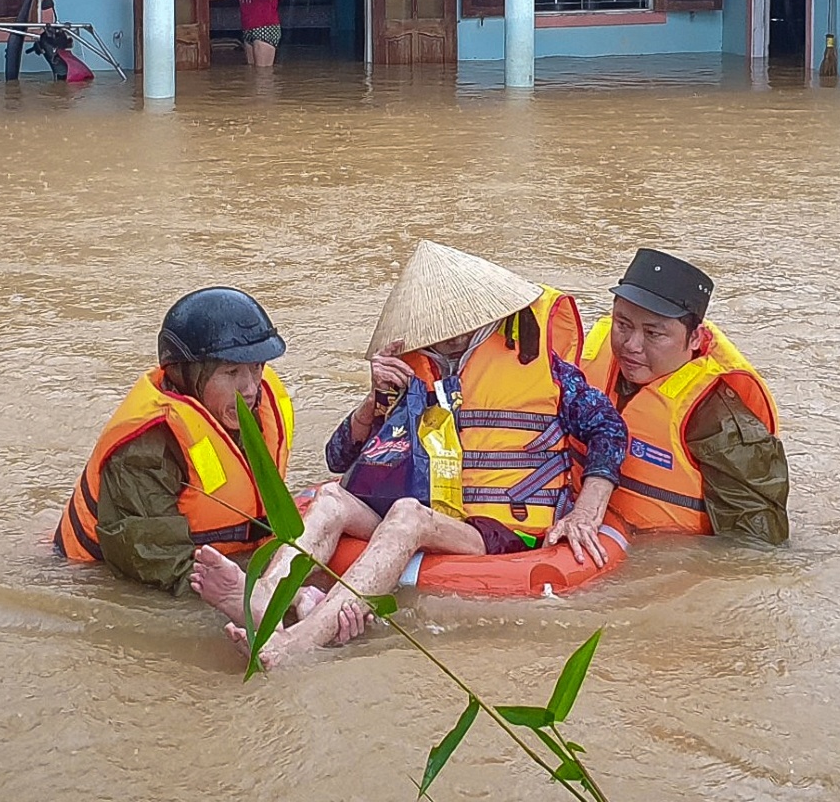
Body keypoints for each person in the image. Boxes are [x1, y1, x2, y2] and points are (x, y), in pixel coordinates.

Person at [190, 241, 626, 667]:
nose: (446, 332)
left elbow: (609, 430)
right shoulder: (408, 367)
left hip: (507, 529)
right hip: (435, 507)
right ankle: (264, 600)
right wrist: (374, 400)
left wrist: (587, 511)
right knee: (331, 501)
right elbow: (339, 458)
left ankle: (298, 643)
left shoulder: (549, 371)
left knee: (406, 514)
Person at [57, 287, 297, 594]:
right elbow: (161, 566)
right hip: (88, 577)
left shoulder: (252, 406)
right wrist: (263, 595)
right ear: (186, 375)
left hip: (229, 555)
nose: (249, 388)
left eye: (256, 367)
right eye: (232, 372)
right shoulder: (146, 450)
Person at [578, 249, 789, 543]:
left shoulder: (718, 419)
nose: (631, 345)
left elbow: (755, 550)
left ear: (694, 339)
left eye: (653, 334)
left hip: (655, 554)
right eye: (622, 325)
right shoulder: (584, 363)